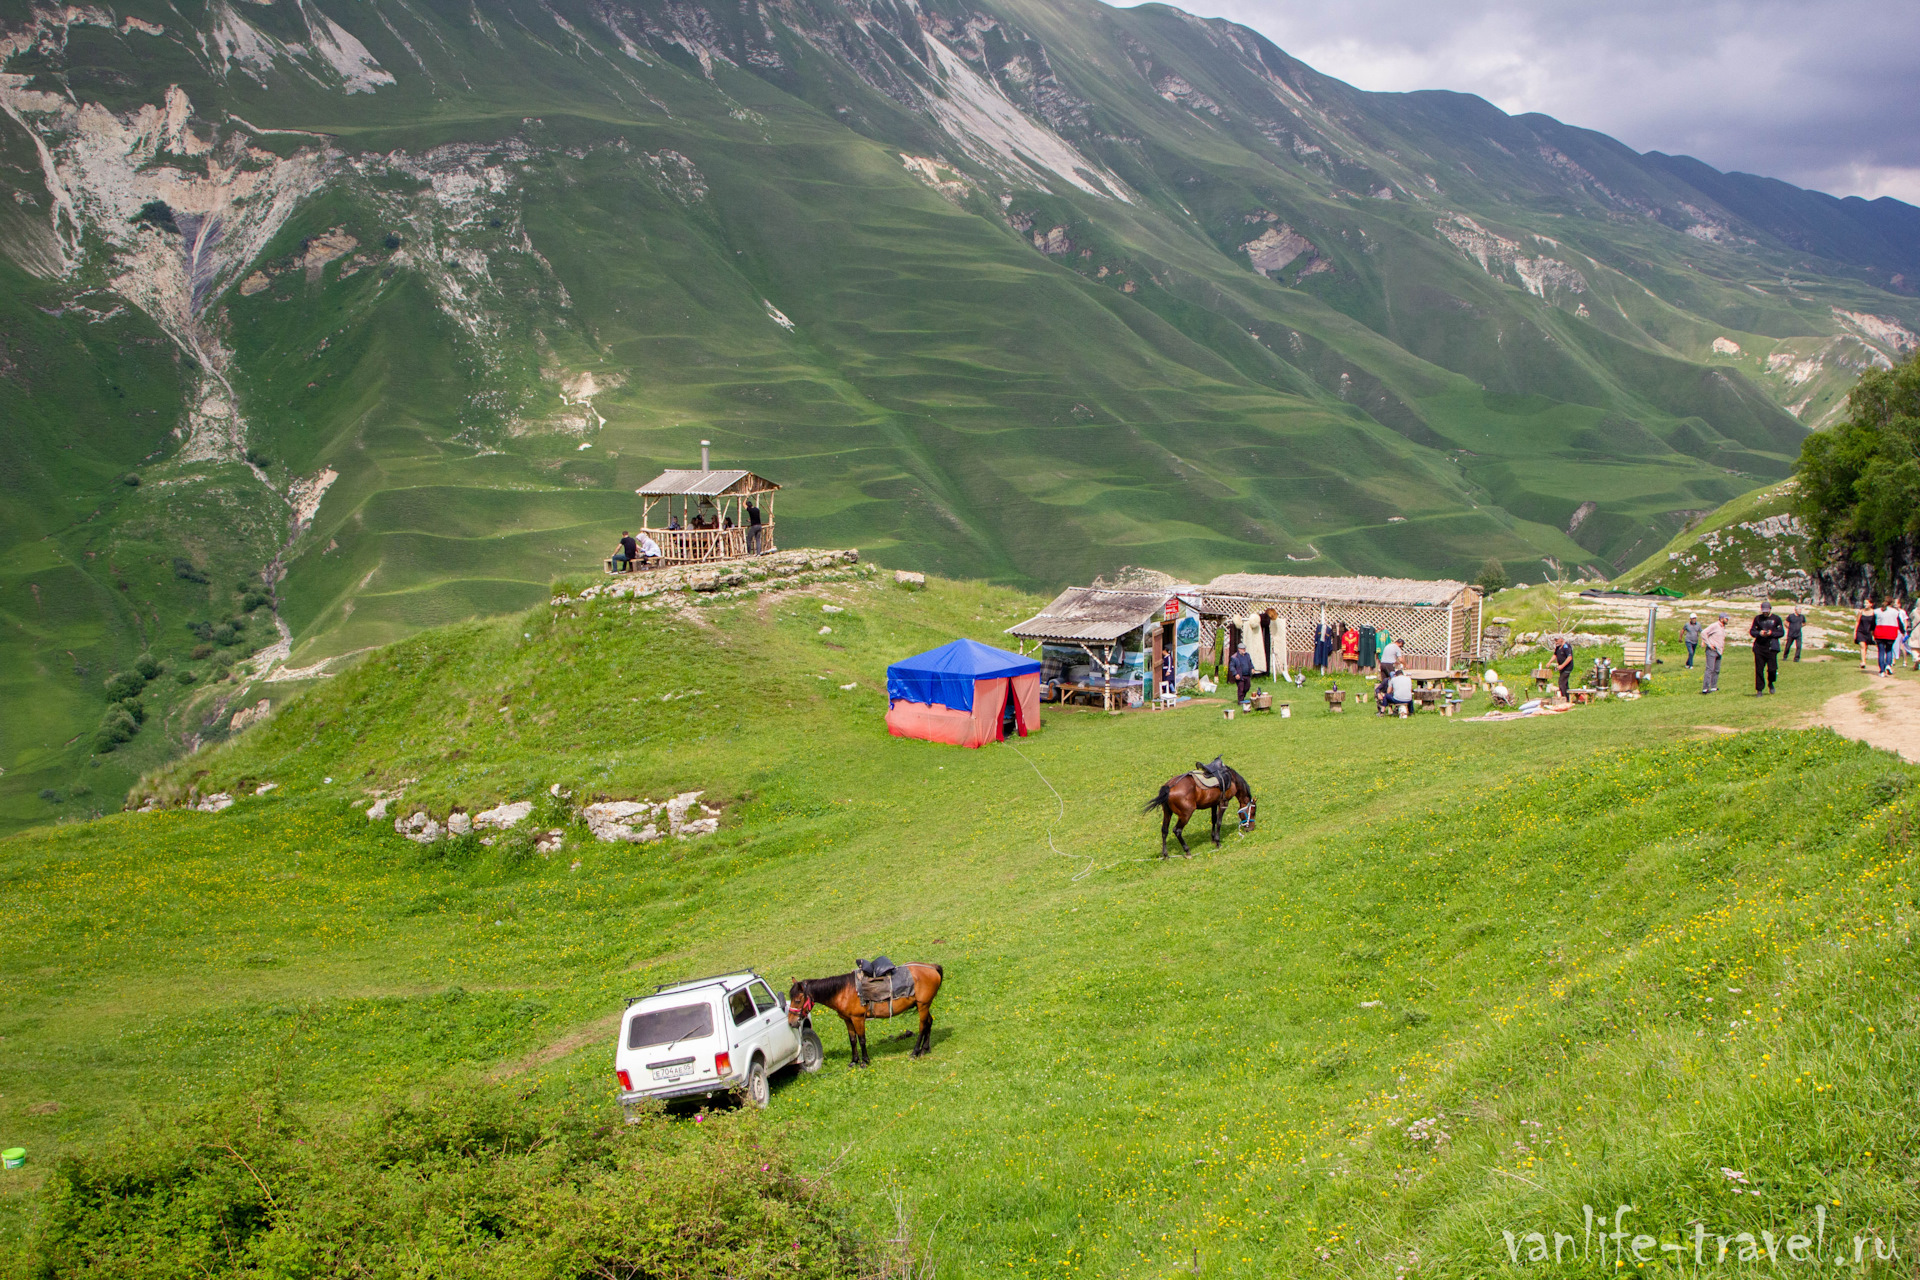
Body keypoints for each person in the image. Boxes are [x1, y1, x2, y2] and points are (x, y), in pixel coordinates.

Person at [1749, 600, 1785, 694]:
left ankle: (1771, 682)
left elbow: (1781, 632)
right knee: (1759, 669)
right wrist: (1759, 633)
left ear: (1770, 609)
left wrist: (1771, 633)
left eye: (1766, 610)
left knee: (1772, 669)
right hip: (1759, 647)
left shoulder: (1776, 618)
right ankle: (1759, 690)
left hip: (1772, 647)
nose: (1765, 612)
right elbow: (1752, 631)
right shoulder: (1757, 619)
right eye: (1763, 610)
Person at [1873, 597, 1903, 676]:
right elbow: (1899, 623)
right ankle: (1888, 665)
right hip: (1891, 632)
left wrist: (1872, 632)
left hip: (1879, 633)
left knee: (1881, 652)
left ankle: (1882, 671)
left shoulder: (1877, 611)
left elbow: (1873, 623)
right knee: (1889, 650)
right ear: (1892, 603)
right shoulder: (1895, 612)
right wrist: (1903, 631)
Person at [1701, 613, 1726, 694]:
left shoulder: (1723, 627)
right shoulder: (1715, 625)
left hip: (1719, 651)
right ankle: (1705, 689)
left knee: (1717, 670)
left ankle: (1713, 687)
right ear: (1721, 619)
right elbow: (1703, 633)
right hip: (1712, 650)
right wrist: (1708, 644)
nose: (1727, 620)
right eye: (1726, 618)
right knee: (1710, 669)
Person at [1552, 635, 1574, 700]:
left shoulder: (1566, 647)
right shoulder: (1558, 647)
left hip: (1567, 668)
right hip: (1562, 668)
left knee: (1561, 682)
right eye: (1555, 641)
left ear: (1561, 639)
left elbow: (1569, 658)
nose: (1556, 642)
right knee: (1565, 683)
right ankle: (1567, 697)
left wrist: (1562, 666)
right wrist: (1549, 662)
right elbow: (1555, 655)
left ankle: (1564, 698)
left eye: (1557, 640)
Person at [1856, 600, 1876, 670]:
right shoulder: (1861, 612)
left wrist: (1874, 634)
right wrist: (1855, 632)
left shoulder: (1874, 613)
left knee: (1865, 646)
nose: (1865, 604)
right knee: (1862, 645)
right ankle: (1863, 662)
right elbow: (1857, 622)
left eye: (1867, 603)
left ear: (1871, 604)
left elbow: (1874, 624)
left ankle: (1863, 659)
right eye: (1864, 603)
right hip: (1860, 631)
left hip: (1868, 631)